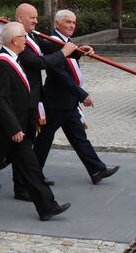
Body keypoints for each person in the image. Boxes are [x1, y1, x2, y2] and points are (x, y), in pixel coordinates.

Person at [0, 22, 70, 222]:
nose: (26, 40)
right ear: (14, 41)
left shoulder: (14, 59)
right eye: (23, 37)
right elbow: (0, 100)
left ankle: (47, 207)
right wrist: (14, 128)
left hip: (18, 128)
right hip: (5, 130)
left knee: (31, 168)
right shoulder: (2, 63)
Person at [34, 10, 120, 185]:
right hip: (55, 103)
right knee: (43, 142)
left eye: (74, 22)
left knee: (79, 138)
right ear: (57, 24)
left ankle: (97, 170)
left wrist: (82, 51)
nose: (72, 25)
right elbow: (59, 74)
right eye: (68, 22)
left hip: (68, 103)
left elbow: (70, 60)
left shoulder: (66, 41)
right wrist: (82, 95)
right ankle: (22, 173)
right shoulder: (51, 42)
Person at [11, 3, 77, 200]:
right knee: (20, 147)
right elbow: (38, 63)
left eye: (36, 17)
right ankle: (22, 186)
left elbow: (52, 47)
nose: (36, 21)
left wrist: (80, 51)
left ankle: (24, 182)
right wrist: (63, 53)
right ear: (20, 18)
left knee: (22, 147)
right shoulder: (16, 40)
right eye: (32, 17)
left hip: (34, 100)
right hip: (23, 101)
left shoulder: (32, 36)